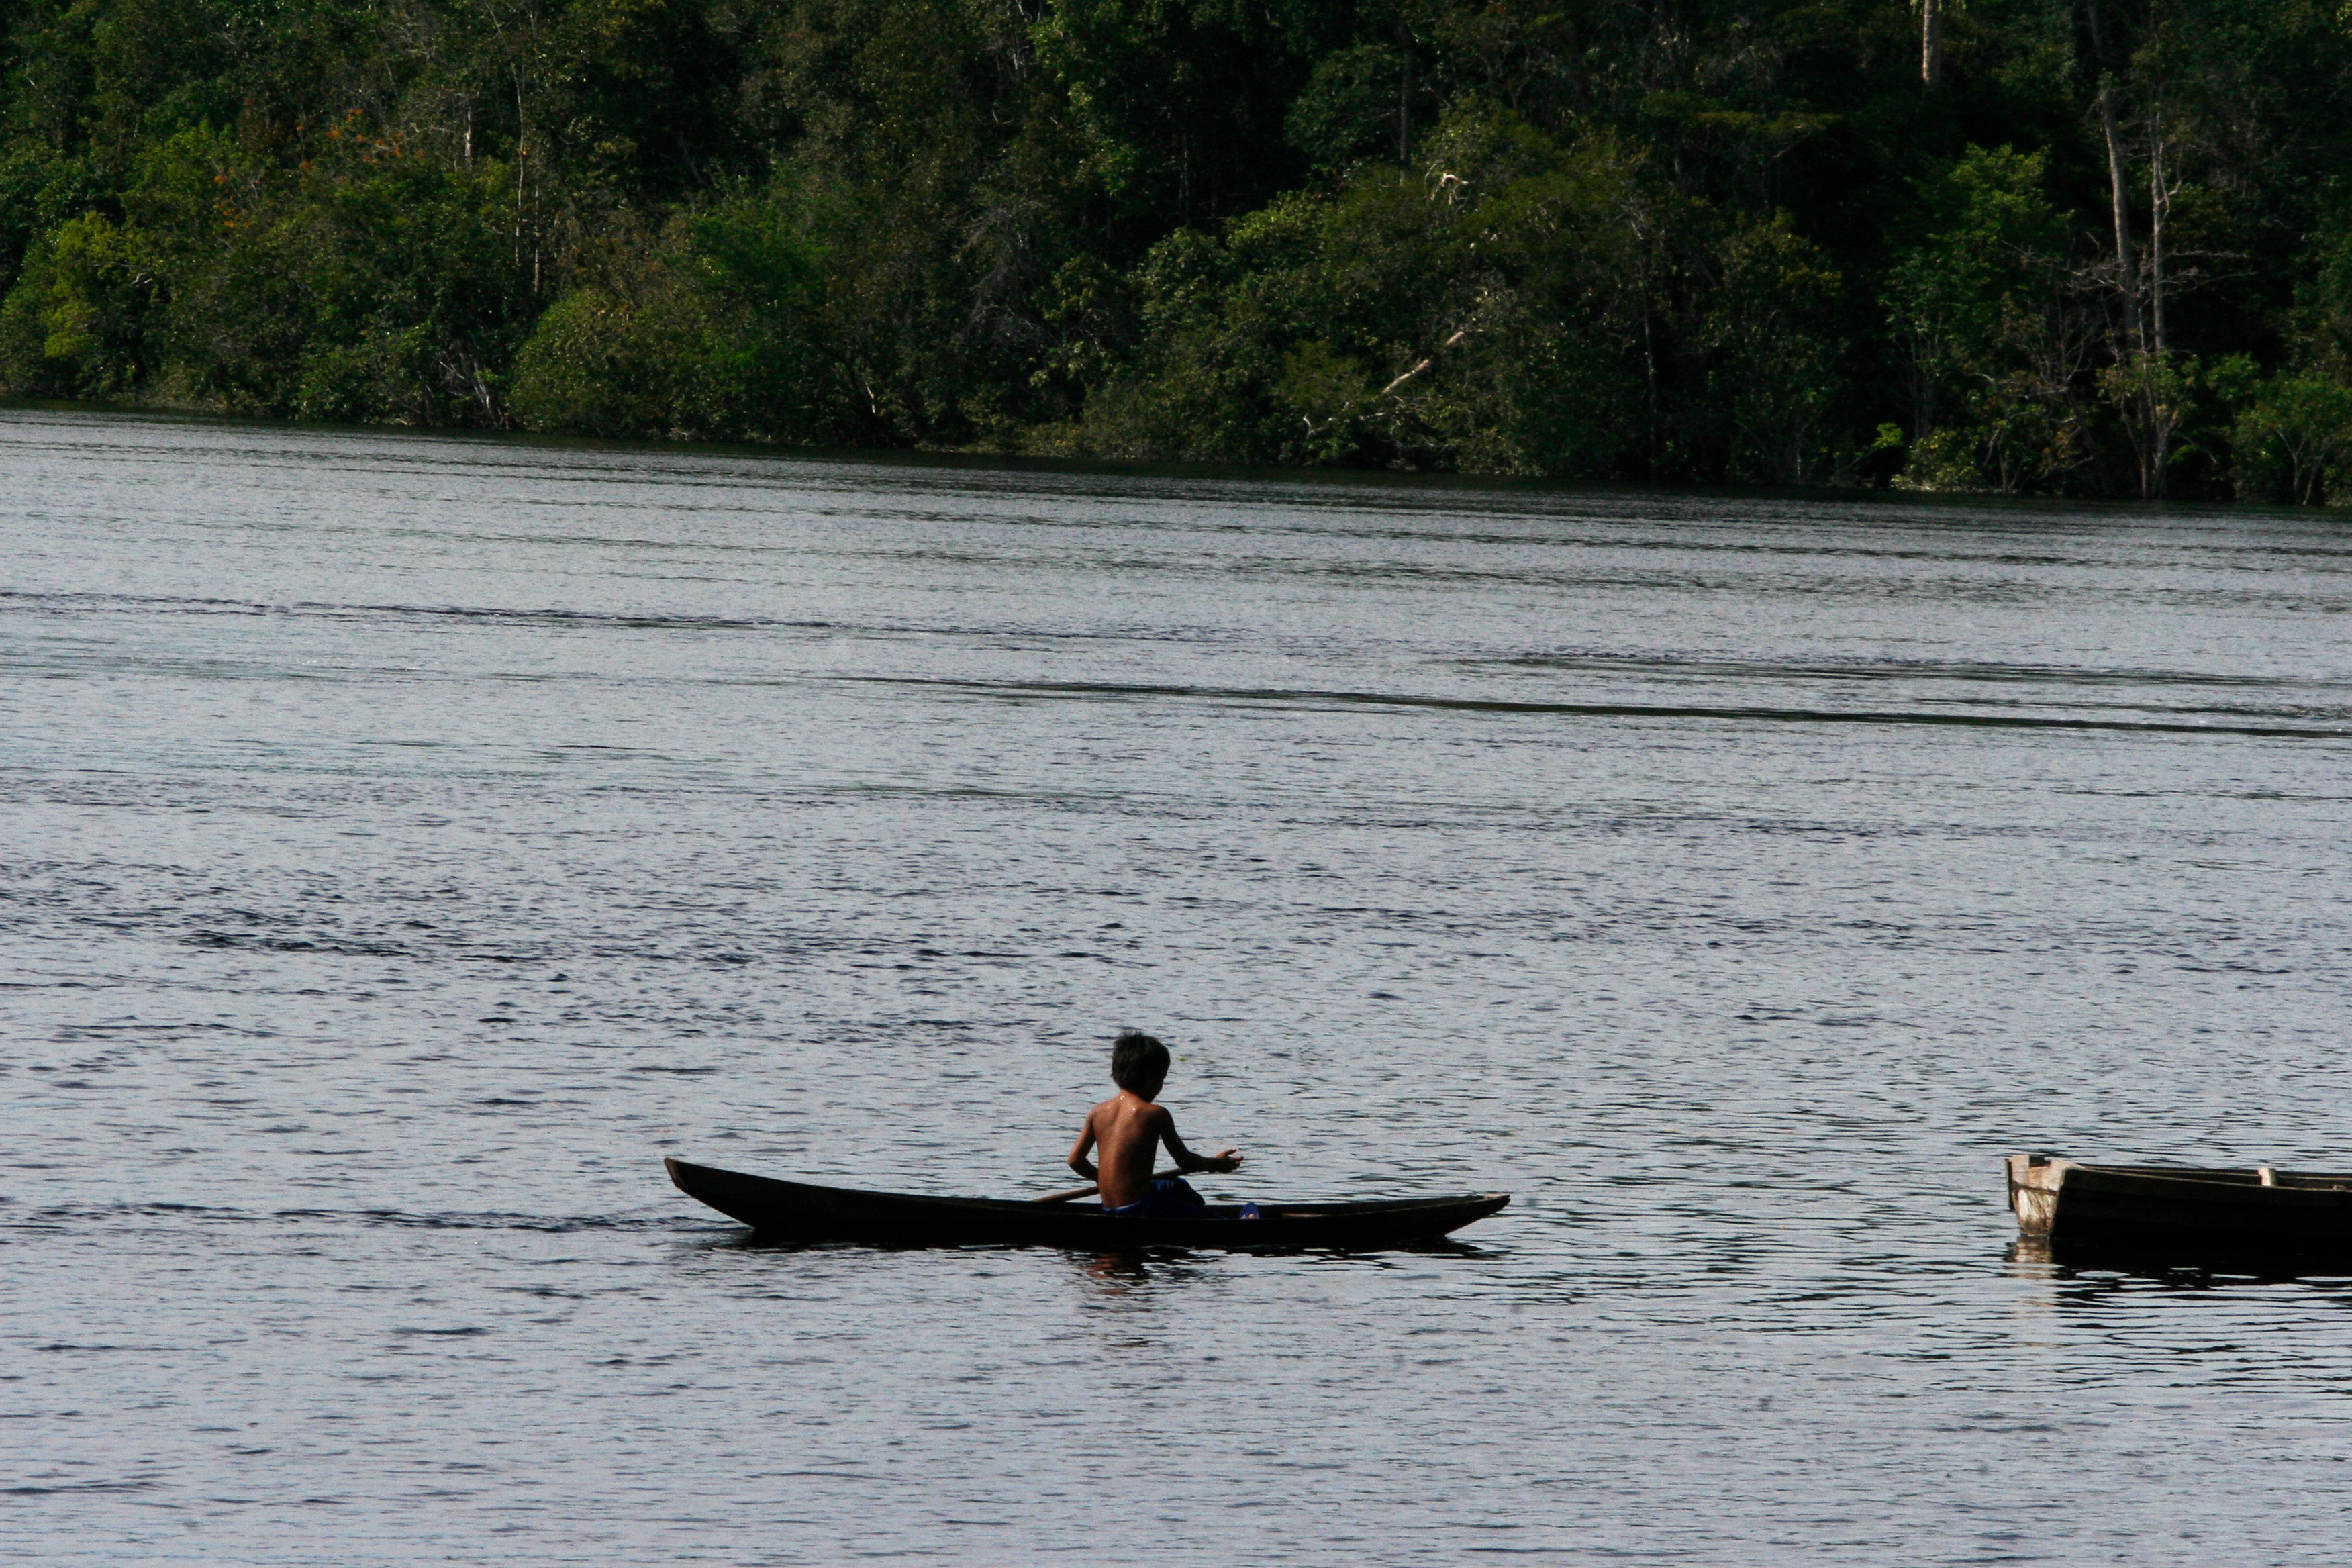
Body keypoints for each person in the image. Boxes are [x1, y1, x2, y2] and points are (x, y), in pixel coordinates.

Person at [1066, 1030, 1242, 1218]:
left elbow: (1075, 1160)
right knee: (1212, 1219)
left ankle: (1193, 1212)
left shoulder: (1098, 1112)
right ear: (1152, 1077)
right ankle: (1207, 1218)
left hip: (1108, 1208)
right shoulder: (1155, 1114)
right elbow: (1185, 1161)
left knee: (1176, 1186)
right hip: (1140, 1208)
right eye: (1163, 1078)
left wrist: (1101, 1179)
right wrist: (1217, 1164)